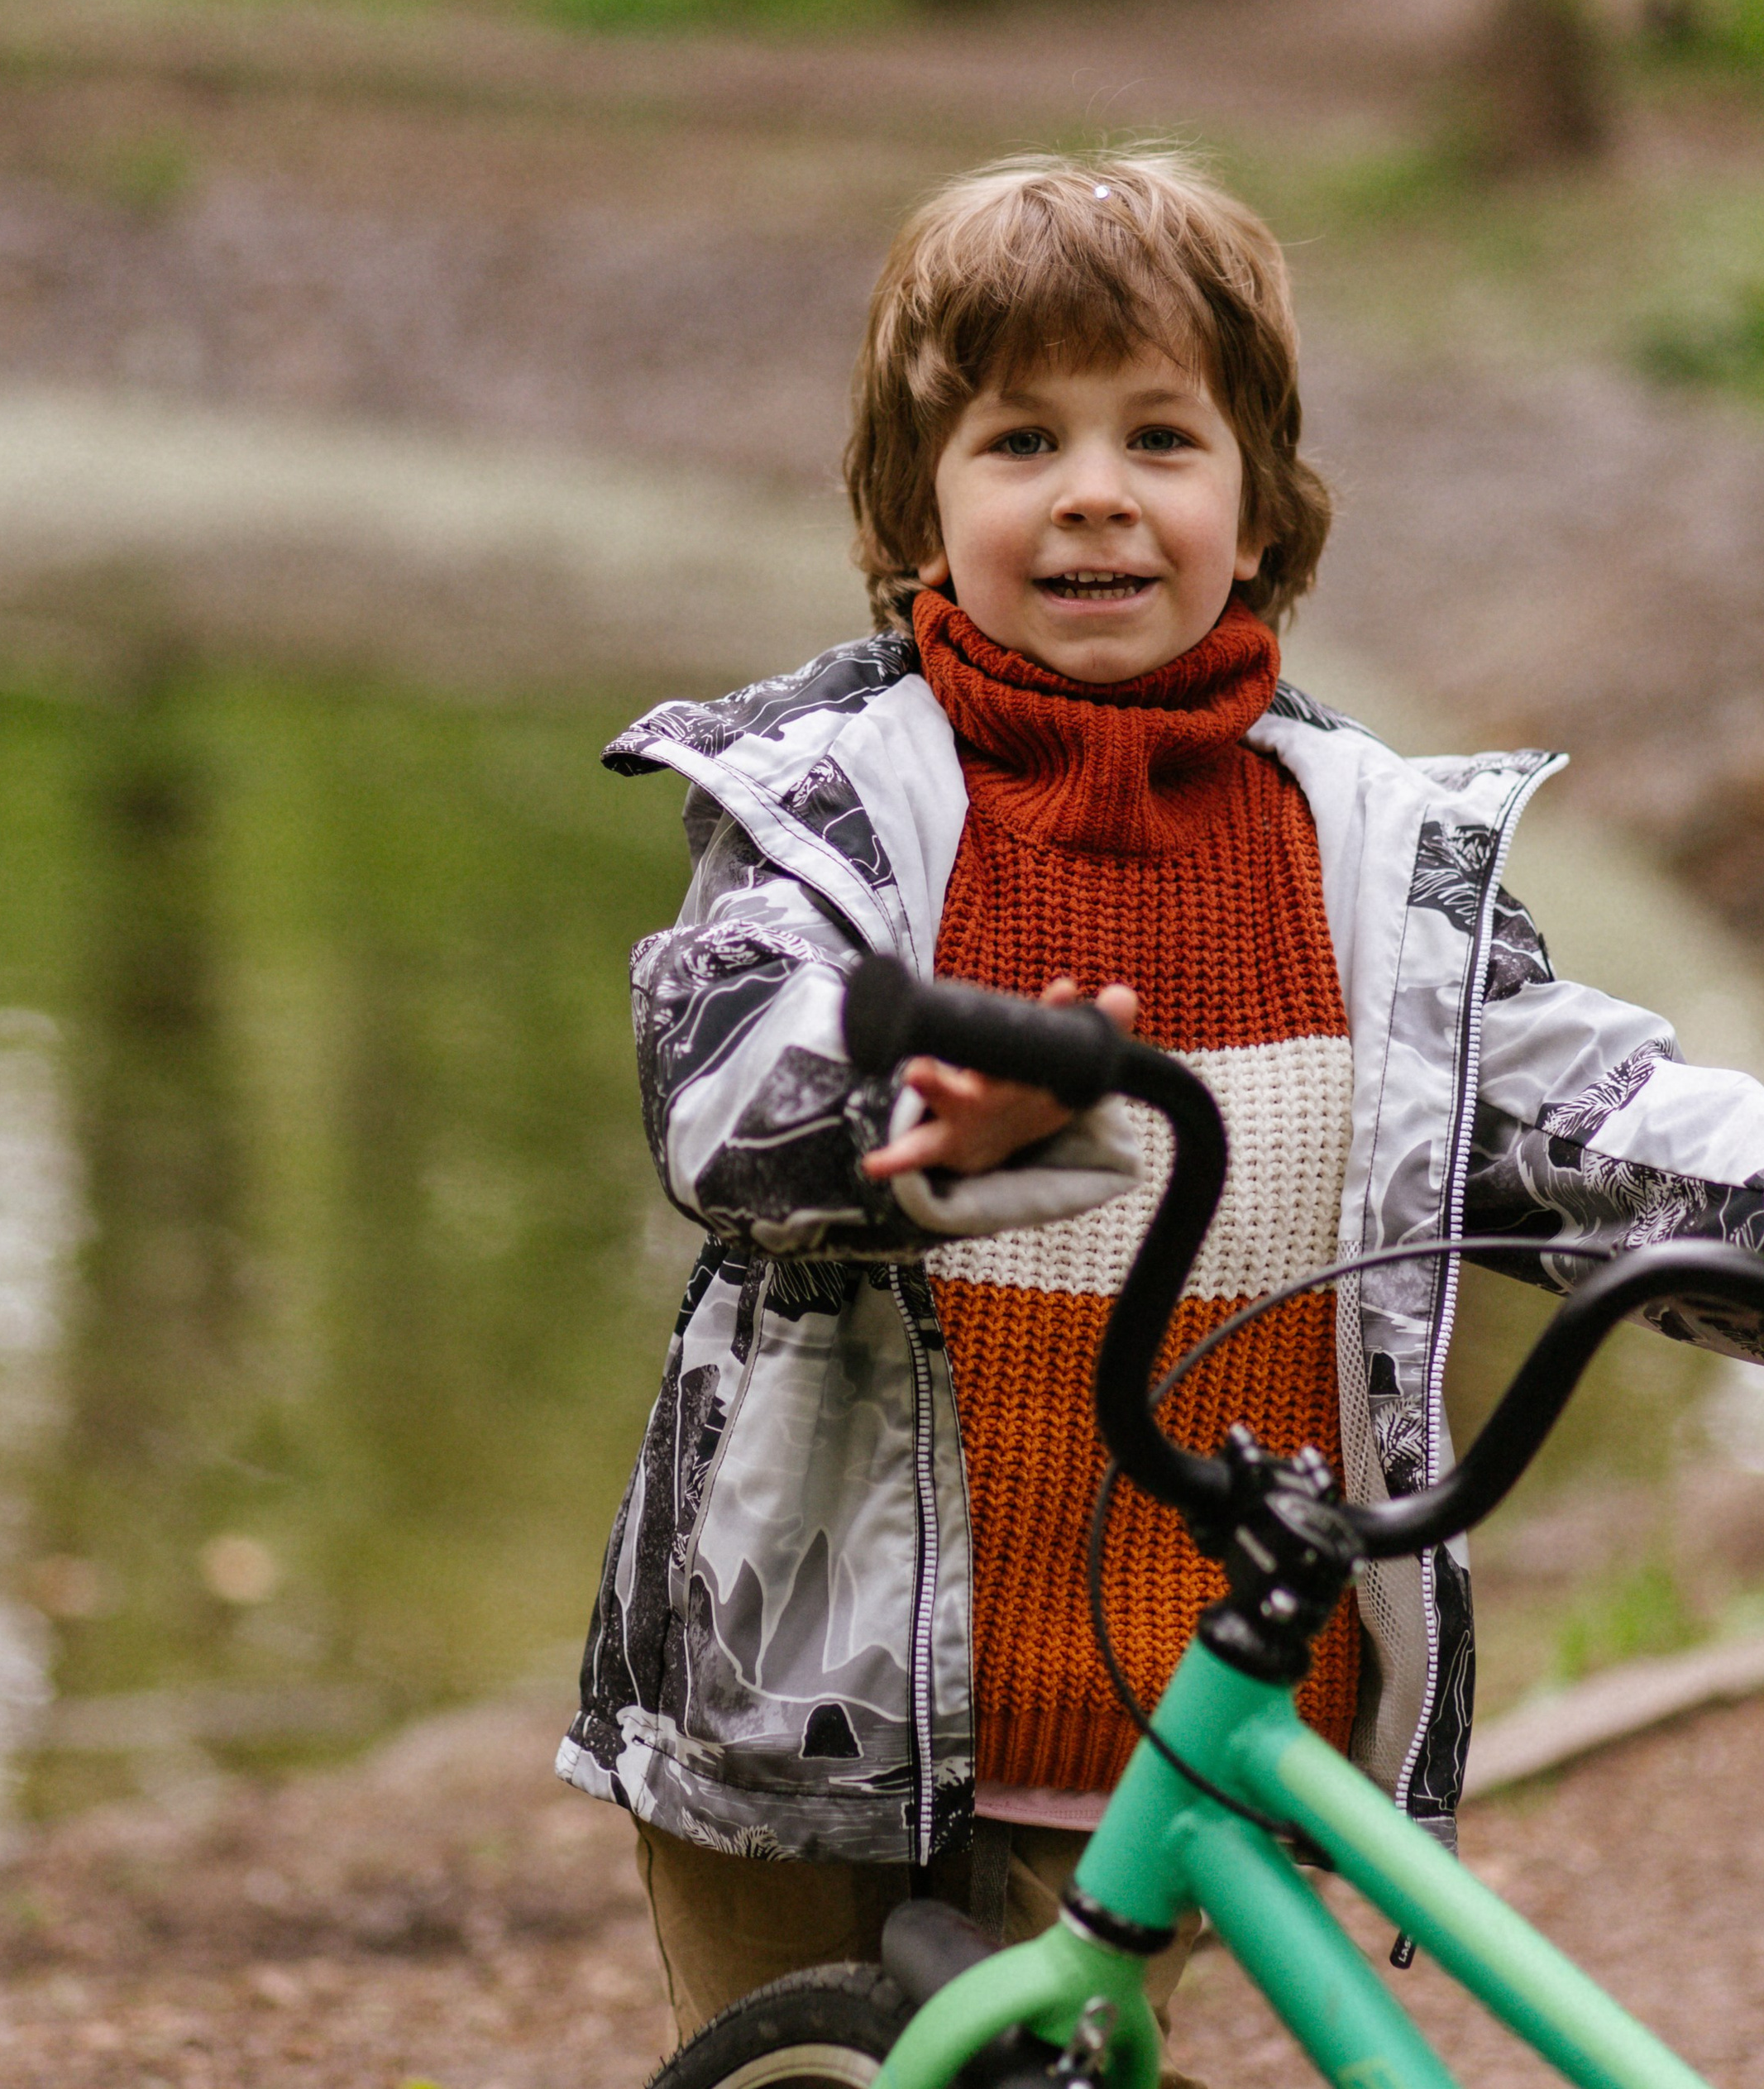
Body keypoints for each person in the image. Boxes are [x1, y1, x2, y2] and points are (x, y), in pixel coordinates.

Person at [554, 150, 1764, 2062]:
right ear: (916, 509)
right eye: (1019, 438)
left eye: (1157, 436)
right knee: (810, 2057)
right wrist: (901, 1121)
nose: (1094, 488)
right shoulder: (828, 802)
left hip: (1173, 1698)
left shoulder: (1377, 859)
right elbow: (718, 1084)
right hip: (813, 1703)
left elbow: (1586, 1122)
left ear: (1258, 500)